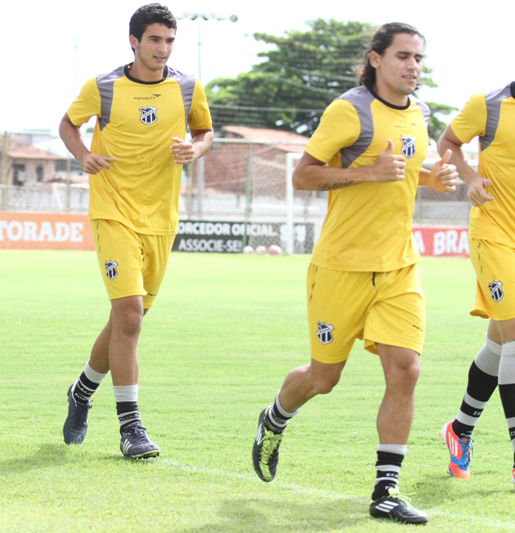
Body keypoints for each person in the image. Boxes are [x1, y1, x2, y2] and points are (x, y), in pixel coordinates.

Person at [250, 23, 458, 524]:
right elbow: (303, 175)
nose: (413, 66)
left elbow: (406, 170)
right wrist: (367, 172)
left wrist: (434, 177)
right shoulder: (350, 110)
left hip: (399, 266)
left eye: (419, 58)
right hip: (340, 268)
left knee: (406, 370)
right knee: (323, 378)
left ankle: (386, 490)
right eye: (403, 56)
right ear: (376, 59)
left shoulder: (421, 113)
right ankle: (274, 418)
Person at [58, 3, 213, 459]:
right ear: (134, 41)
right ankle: (131, 427)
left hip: (161, 219)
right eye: (155, 40)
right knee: (128, 315)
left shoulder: (187, 87)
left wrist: (195, 149)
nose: (163, 49)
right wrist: (83, 155)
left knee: (129, 318)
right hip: (113, 211)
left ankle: (81, 390)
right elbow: (68, 124)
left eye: (169, 41)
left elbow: (205, 131)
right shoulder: (103, 87)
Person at [436, 83, 515, 483]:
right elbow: (447, 142)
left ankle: (460, 429)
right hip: (494, 234)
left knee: (500, 342)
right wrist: (469, 176)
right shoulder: (489, 106)